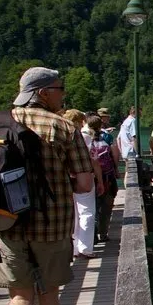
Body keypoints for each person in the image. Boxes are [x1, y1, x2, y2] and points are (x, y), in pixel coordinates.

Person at [0, 67, 93, 305]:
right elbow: (84, 184)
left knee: (19, 295)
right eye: (59, 88)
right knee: (49, 292)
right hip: (51, 226)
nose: (62, 93)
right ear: (42, 93)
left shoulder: (1, 122)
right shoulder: (63, 127)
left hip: (8, 223)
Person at [62, 110, 105, 259]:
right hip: (84, 177)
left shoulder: (62, 137)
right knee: (87, 212)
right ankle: (85, 248)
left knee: (74, 214)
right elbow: (94, 161)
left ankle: (74, 248)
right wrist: (100, 181)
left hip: (67, 178)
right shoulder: (84, 137)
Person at [87, 115, 119, 242]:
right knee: (107, 204)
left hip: (91, 177)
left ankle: (93, 235)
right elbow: (115, 153)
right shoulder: (107, 137)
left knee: (93, 206)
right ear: (101, 125)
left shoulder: (85, 138)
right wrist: (116, 169)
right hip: (107, 176)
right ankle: (104, 233)